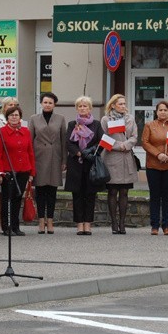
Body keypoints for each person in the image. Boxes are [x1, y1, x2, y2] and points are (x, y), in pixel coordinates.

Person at [141, 100, 168, 236]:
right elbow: (145, 143)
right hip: (153, 165)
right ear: (156, 112)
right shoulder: (149, 125)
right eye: (160, 110)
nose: (163, 112)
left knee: (167, 195)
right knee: (154, 195)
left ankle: (166, 225)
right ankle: (154, 225)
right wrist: (158, 154)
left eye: (165, 110)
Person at [64, 96, 105, 236]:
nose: (82, 108)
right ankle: (79, 224)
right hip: (76, 164)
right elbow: (68, 143)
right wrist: (79, 154)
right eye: (80, 106)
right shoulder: (72, 124)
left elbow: (101, 142)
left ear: (90, 108)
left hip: (91, 164)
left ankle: (88, 223)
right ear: (77, 108)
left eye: (85, 106)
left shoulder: (96, 124)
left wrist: (91, 154)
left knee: (90, 195)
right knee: (77, 195)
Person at [28, 92, 67, 234]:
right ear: (41, 103)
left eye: (50, 102)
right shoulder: (33, 119)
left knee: (52, 191)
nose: (47, 105)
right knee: (40, 191)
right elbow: (30, 141)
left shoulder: (60, 119)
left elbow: (64, 141)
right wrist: (30, 162)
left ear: (54, 104)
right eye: (45, 102)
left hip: (55, 157)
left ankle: (50, 220)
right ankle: (40, 221)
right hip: (39, 158)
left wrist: (64, 160)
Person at [0, 105, 36, 236]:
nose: (14, 117)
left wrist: (32, 172)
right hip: (8, 170)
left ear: (20, 117)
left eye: (16, 115)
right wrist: (0, 172)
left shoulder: (26, 131)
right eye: (11, 115)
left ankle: (15, 226)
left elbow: (30, 152)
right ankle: (6, 227)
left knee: (18, 198)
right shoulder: (1, 132)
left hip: (23, 169)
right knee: (7, 198)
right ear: (7, 117)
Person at [101, 94, 139, 235]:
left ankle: (122, 223)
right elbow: (103, 138)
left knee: (124, 192)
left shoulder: (130, 119)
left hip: (126, 157)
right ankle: (114, 223)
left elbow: (134, 136)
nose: (123, 106)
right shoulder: (106, 119)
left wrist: (126, 145)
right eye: (120, 104)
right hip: (112, 157)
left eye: (124, 103)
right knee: (112, 191)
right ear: (113, 105)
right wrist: (118, 145)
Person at [0, 97, 19, 233]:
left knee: (12, 195)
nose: (12, 106)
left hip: (14, 160)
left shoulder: (19, 119)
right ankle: (1, 223)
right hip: (1, 160)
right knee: (0, 193)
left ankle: (12, 223)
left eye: (14, 105)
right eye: (9, 105)